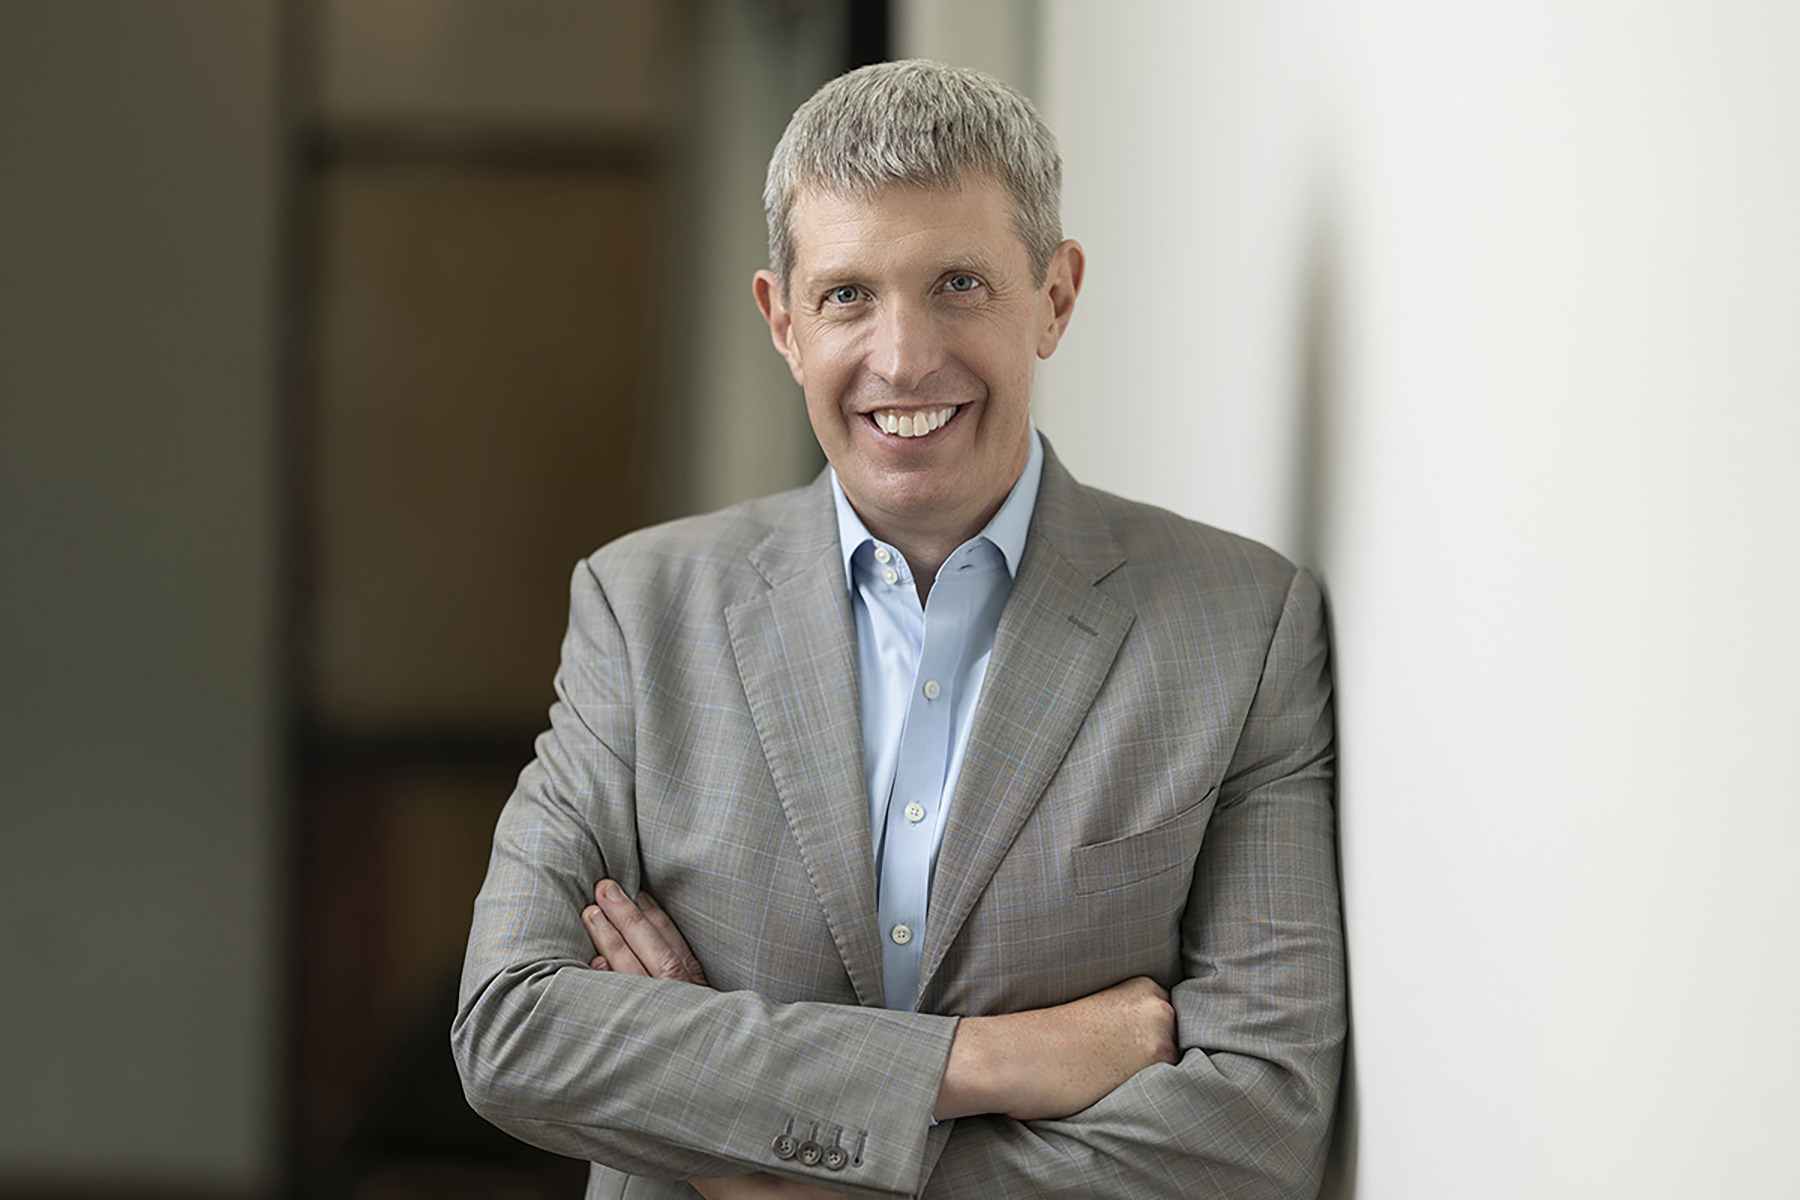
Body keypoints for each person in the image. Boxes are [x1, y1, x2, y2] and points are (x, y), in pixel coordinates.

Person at [454, 59, 1344, 1199]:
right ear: (782, 320)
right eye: (846, 296)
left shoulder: (1244, 629)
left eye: (960, 283)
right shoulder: (641, 611)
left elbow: (1261, 1123)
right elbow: (511, 1026)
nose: (904, 357)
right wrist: (991, 1061)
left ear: (1056, 298)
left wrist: (754, 1153)